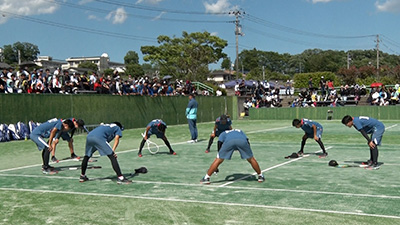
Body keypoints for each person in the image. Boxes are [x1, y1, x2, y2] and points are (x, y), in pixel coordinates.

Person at [200, 129, 265, 184]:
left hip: (229, 142)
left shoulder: (223, 133)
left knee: (218, 160)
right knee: (251, 159)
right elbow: (247, 140)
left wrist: (219, 154)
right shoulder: (240, 131)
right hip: (242, 141)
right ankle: (260, 176)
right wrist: (248, 152)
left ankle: (206, 178)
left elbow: (219, 143)